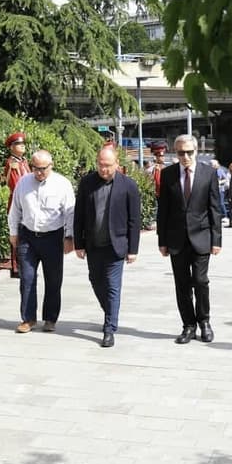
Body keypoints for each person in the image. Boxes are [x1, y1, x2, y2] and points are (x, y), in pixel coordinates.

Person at [73, 146, 141, 348]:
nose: (103, 169)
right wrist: (79, 243)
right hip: (94, 244)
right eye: (100, 165)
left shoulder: (128, 185)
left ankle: (109, 328)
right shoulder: (87, 183)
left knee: (113, 286)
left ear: (117, 164)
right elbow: (79, 215)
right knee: (95, 280)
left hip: (116, 245)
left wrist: (133, 249)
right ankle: (111, 311)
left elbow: (134, 220)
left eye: (108, 166)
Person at [157, 134, 222, 344]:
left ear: (196, 151)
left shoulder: (208, 173)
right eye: (180, 152)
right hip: (176, 239)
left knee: (201, 281)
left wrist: (217, 240)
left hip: (202, 237)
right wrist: (162, 240)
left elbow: (215, 208)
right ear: (174, 153)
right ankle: (188, 325)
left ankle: (204, 321)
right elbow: (163, 210)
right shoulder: (167, 175)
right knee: (182, 284)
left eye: (189, 152)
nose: (185, 156)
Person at [8, 149, 75, 333]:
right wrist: (13, 233)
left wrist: (69, 237)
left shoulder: (62, 184)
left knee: (53, 280)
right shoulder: (23, 183)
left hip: (53, 236)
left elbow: (70, 213)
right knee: (27, 279)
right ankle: (28, 319)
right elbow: (15, 210)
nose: (39, 172)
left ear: (51, 166)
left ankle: (50, 318)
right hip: (28, 236)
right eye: (35, 168)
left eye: (43, 169)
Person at [4, 131, 31, 279]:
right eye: (18, 144)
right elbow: (16, 185)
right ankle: (17, 267)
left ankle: (24, 265)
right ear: (12, 147)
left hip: (27, 203)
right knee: (16, 235)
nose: (22, 146)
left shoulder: (24, 162)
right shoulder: (12, 163)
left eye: (22, 144)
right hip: (18, 203)